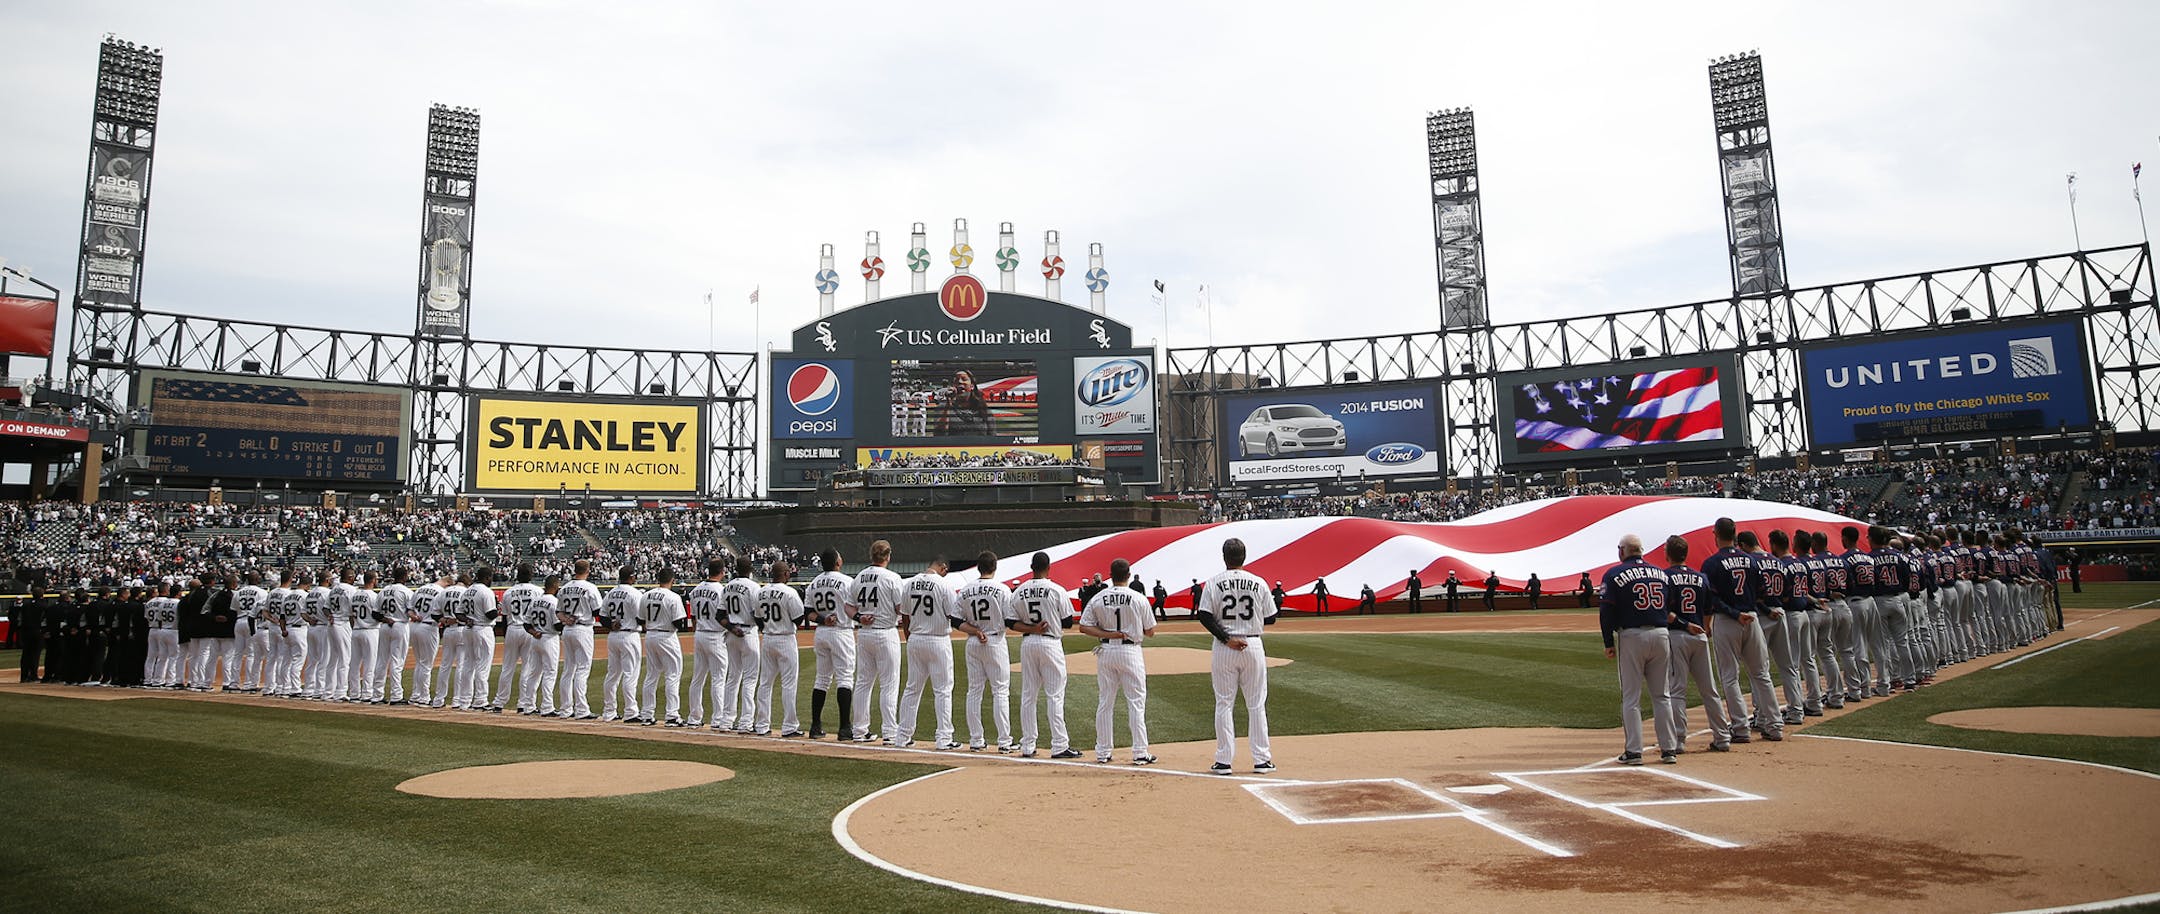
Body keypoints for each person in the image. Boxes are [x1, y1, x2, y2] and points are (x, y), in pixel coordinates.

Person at [1195, 537, 1279, 774]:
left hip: (1224, 647)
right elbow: (1271, 617)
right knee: (1256, 704)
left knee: (1224, 703)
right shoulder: (1258, 582)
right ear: (1244, 556)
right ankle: (1262, 760)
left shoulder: (1213, 582)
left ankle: (1224, 760)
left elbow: (1204, 615)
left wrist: (1226, 638)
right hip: (1252, 644)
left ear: (1224, 557)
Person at [1601, 534, 1678, 765]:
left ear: (1622, 551)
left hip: (1632, 635)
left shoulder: (1614, 574)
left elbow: (1606, 611)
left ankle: (1634, 751)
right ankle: (1669, 749)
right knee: (1662, 695)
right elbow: (1670, 606)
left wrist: (1608, 642)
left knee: (1631, 697)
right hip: (1661, 633)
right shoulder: (1660, 573)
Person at [1703, 519, 1781, 741]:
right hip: (1753, 617)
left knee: (1730, 677)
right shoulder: (1751, 560)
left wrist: (1734, 613)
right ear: (1735, 534)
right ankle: (1775, 724)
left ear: (1715, 533)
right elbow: (1761, 592)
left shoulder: (1713, 562)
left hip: (1728, 621)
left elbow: (1712, 599)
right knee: (1761, 674)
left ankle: (1740, 728)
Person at [1078, 558, 1155, 765]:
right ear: (1129, 575)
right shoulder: (1138, 598)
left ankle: (1103, 751)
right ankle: (1140, 752)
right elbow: (1150, 632)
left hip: (1107, 649)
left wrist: (1108, 633)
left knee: (1105, 702)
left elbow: (1084, 627)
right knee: (1136, 703)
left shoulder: (1098, 597)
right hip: (1131, 650)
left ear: (1110, 576)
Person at [1660, 536, 1730, 753]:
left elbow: (1665, 611)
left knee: (1677, 689)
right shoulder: (1700, 577)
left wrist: (1685, 624)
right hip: (1699, 634)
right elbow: (1709, 608)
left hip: (1678, 635)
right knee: (1709, 689)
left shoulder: (1664, 577)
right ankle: (1722, 736)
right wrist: (1704, 628)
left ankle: (1679, 740)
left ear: (1668, 554)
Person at [1009, 552, 1077, 759]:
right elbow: (1067, 622)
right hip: (1050, 643)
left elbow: (1010, 622)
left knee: (1029, 695)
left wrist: (1032, 627)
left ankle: (1028, 745)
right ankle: (1059, 745)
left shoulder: (1019, 591)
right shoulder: (1056, 589)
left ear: (1031, 567)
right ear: (1049, 568)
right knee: (1054, 695)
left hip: (1028, 642)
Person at [896, 556, 961, 750]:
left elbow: (905, 616)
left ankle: (902, 736)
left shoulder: (909, 584)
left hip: (915, 637)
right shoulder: (943, 585)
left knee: (912, 688)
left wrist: (910, 638)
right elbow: (953, 614)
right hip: (938, 639)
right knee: (942, 690)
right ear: (942, 567)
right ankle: (943, 737)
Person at [955, 551, 1016, 752]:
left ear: (978, 567)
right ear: (994, 567)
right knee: (1000, 691)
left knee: (974, 691)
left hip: (973, 641)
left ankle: (975, 739)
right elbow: (1010, 620)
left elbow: (955, 620)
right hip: (995, 640)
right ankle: (1004, 741)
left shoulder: (965, 590)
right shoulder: (1002, 589)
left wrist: (975, 630)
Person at [847, 540, 907, 744]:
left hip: (864, 633)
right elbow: (901, 608)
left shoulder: (860, 577)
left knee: (863, 682)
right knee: (889, 683)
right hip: (885, 632)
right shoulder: (892, 578)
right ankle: (890, 732)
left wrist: (859, 617)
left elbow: (848, 607)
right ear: (888, 556)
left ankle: (859, 730)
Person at [803, 549, 854, 740]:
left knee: (822, 679)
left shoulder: (814, 582)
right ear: (838, 562)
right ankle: (844, 728)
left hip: (822, 632)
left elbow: (808, 612)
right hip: (841, 631)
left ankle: (815, 726)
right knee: (845, 678)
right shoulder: (847, 581)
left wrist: (823, 619)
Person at [753, 560, 807, 737]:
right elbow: (799, 619)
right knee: (789, 684)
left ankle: (761, 724)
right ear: (785, 574)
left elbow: (758, 618)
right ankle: (789, 725)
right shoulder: (790, 593)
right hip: (785, 638)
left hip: (768, 638)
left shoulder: (761, 593)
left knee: (765, 683)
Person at [638, 567, 687, 727]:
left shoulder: (646, 595)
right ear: (672, 580)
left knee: (651, 675)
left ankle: (646, 714)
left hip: (650, 635)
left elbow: (640, 619)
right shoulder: (673, 596)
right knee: (672, 674)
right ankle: (672, 715)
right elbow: (679, 623)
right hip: (666, 636)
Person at [720, 556, 764, 732]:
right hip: (748, 632)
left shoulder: (727, 586)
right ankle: (746, 722)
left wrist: (732, 628)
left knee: (732, 678)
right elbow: (757, 614)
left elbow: (719, 615)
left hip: (732, 633)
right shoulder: (754, 587)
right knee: (750, 679)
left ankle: (726, 721)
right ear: (751, 569)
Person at [685, 558, 730, 728]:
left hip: (700, 634)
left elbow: (694, 617)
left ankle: (694, 717)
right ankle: (718, 719)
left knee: (698, 678)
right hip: (716, 635)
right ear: (722, 572)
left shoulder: (695, 590)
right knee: (718, 678)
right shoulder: (722, 590)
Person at [598, 567, 644, 723]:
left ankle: (609, 711)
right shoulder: (635, 594)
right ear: (631, 577)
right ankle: (631, 711)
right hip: (629, 635)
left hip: (613, 636)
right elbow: (640, 618)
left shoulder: (610, 593)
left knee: (612, 674)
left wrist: (611, 624)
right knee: (630, 674)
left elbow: (602, 616)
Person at [492, 565, 541, 713]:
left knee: (507, 667)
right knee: (528, 667)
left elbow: (505, 618)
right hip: (528, 629)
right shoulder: (537, 591)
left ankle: (499, 702)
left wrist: (507, 635)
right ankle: (524, 704)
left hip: (512, 628)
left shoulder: (508, 592)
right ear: (531, 575)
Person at [518, 575, 563, 716]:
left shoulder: (535, 601)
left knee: (534, 673)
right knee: (550, 673)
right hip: (549, 639)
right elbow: (557, 625)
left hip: (536, 639)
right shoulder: (555, 602)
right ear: (555, 586)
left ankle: (528, 706)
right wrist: (566, 623)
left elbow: (526, 623)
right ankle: (547, 707)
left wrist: (533, 632)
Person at [373, 569, 413, 704]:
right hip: (399, 625)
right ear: (404, 576)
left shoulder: (383, 590)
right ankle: (396, 696)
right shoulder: (406, 591)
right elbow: (410, 611)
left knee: (381, 661)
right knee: (397, 661)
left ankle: (377, 695)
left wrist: (385, 619)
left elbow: (375, 614)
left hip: (384, 626)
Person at [408, 571, 446, 707]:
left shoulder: (420, 588)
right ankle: (424, 697)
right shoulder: (441, 592)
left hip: (414, 625)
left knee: (419, 662)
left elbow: (409, 610)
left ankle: (415, 695)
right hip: (428, 626)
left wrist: (414, 616)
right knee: (426, 664)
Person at [937, 369, 992, 436]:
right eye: (956, 380)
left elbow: (992, 435)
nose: (960, 382)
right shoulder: (944, 407)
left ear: (972, 386)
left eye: (964, 379)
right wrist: (948, 405)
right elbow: (939, 434)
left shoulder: (983, 408)